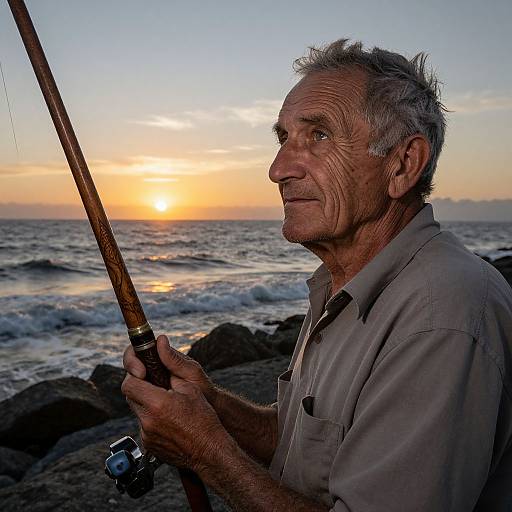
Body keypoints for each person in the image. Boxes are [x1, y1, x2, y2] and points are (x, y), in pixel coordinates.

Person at [122, 39, 512, 511]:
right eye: (282, 138)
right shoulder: (343, 282)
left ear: (403, 164)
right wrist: (213, 407)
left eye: (319, 136)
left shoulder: (443, 312)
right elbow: (303, 446)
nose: (277, 169)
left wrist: (206, 451)